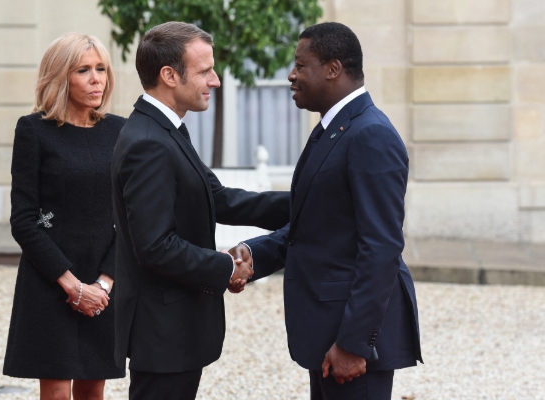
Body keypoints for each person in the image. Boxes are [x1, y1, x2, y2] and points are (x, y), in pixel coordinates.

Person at [230, 22, 423, 399]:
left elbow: (381, 248)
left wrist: (353, 344)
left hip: (352, 345)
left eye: (301, 65)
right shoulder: (333, 130)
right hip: (325, 333)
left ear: (333, 69)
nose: (291, 74)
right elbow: (313, 226)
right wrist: (255, 254)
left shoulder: (370, 135)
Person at [111, 21, 290, 400]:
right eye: (206, 70)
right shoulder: (148, 142)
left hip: (176, 331)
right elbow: (155, 246)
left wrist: (308, 203)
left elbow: (219, 198)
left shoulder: (167, 129)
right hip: (163, 333)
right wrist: (226, 266)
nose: (217, 80)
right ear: (169, 75)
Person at [3, 33, 125, 400]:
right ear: (60, 77)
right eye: (83, 70)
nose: (96, 79)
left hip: (104, 283)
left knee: (93, 388)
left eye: (101, 69)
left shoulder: (121, 132)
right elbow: (24, 219)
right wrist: (73, 286)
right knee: (55, 391)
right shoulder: (33, 131)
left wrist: (103, 284)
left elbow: (132, 216)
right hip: (50, 280)